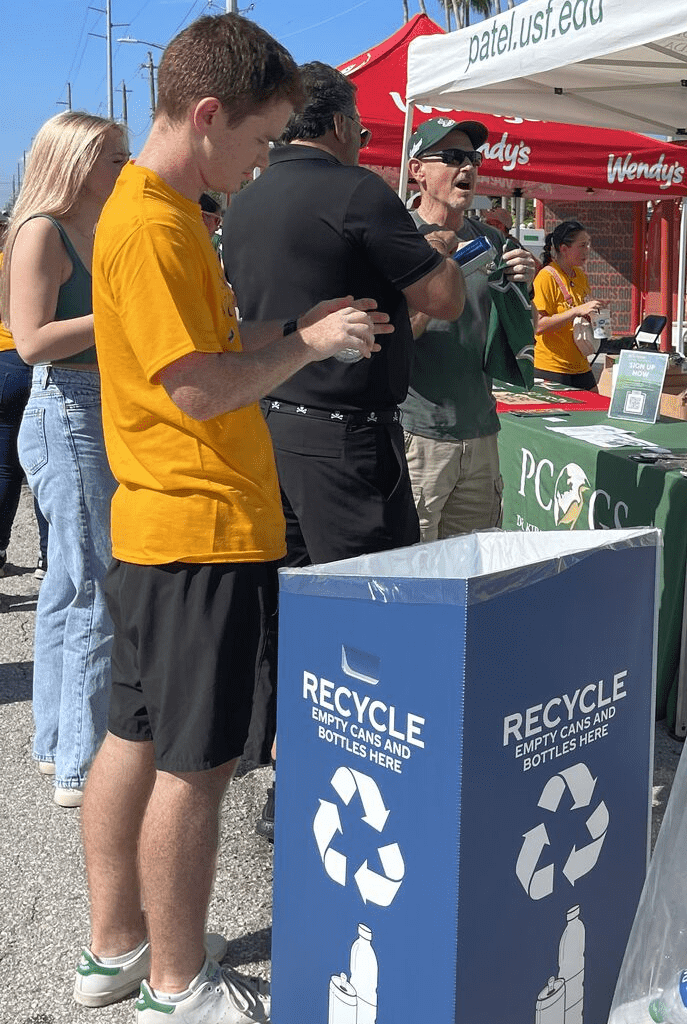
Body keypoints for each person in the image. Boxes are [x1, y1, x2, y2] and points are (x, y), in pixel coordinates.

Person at [81, 15, 393, 1022]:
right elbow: (204, 388)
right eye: (259, 142)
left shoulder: (156, 206)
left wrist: (300, 330)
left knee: (134, 738)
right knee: (198, 765)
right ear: (209, 116)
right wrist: (304, 349)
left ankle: (118, 947)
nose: (262, 164)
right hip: (199, 532)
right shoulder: (157, 224)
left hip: (161, 530)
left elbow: (213, 344)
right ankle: (175, 985)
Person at [219, 63, 465, 841]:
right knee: (372, 616)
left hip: (272, 428)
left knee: (289, 611)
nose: (365, 135)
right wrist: (441, 250)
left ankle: (291, 775)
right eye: (359, 122)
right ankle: (377, 792)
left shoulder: (247, 197)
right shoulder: (359, 191)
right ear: (333, 122)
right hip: (344, 440)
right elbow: (444, 298)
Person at [0, 112, 128, 807]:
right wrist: (122, 314)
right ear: (76, 162)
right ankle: (82, 762)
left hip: (93, 403)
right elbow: (30, 341)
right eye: (113, 157)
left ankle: (57, 744)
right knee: (89, 585)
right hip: (68, 407)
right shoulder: (43, 228)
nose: (123, 169)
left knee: (69, 585)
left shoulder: (92, 227)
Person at [401, 116, 537, 540]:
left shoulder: (492, 241)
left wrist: (523, 292)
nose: (468, 168)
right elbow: (393, 336)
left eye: (474, 158)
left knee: (471, 572)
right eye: (453, 157)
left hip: (481, 433)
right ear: (417, 170)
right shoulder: (396, 237)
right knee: (410, 570)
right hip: (418, 435)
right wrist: (445, 280)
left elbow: (525, 329)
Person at [0, 222, 50, 582]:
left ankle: (0, 552)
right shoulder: (36, 257)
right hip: (26, 362)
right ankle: (48, 557)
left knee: (4, 469)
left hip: (1, 363)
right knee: (44, 464)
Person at [532, 219, 603, 391]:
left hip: (581, 363)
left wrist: (594, 312)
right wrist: (576, 311)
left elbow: (581, 308)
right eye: (582, 245)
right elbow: (538, 325)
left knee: (595, 412)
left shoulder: (579, 275)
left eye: (588, 245)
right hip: (551, 368)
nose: (587, 250)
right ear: (564, 249)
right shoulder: (546, 277)